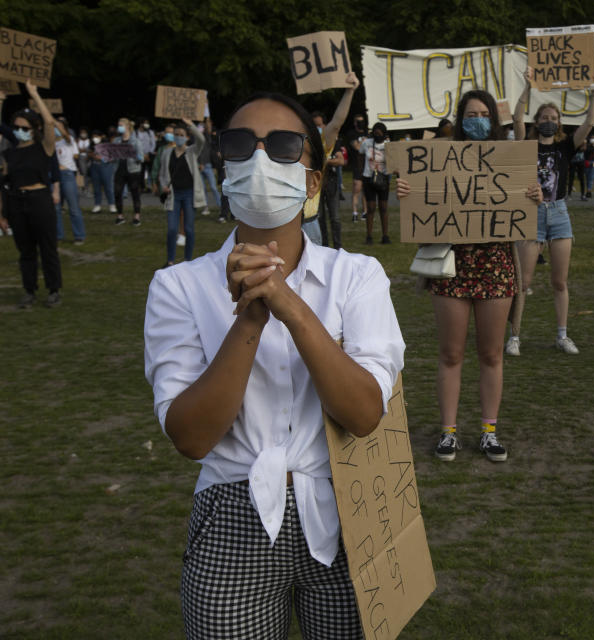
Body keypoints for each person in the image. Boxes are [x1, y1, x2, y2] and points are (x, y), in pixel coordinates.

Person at [144, 90, 403, 639]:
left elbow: (363, 413)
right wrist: (249, 321)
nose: (259, 161)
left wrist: (288, 304)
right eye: (240, 145)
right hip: (231, 514)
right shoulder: (178, 287)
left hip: (347, 505)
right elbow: (191, 437)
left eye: (284, 147)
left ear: (312, 181)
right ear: (223, 167)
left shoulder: (357, 276)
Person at [396, 90, 540, 462]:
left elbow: (521, 206)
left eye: (484, 113)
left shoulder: (510, 159)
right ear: (461, 120)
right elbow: (423, 199)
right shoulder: (441, 157)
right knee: (451, 353)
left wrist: (531, 197)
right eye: (470, 114)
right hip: (451, 267)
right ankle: (449, 433)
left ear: (494, 119)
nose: (477, 119)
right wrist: (408, 194)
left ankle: (489, 432)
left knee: (492, 354)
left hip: (495, 266)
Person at [507, 66, 594, 356]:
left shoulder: (564, 148)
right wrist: (527, 87)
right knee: (523, 282)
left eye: (554, 118)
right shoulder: (526, 145)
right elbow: (516, 117)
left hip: (559, 213)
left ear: (559, 123)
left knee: (560, 281)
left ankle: (562, 335)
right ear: (538, 121)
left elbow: (589, 122)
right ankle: (514, 336)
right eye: (544, 118)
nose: (549, 121)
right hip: (530, 213)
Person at [0, 81, 63, 308]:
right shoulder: (11, 153)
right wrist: (3, 213)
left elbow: (49, 121)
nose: (19, 131)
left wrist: (34, 94)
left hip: (40, 201)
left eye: (24, 128)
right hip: (17, 203)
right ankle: (29, 291)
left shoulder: (44, 147)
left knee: (47, 248)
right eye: (16, 127)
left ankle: (53, 290)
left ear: (33, 129)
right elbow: (5, 183)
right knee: (25, 250)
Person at [303, 72, 359, 249]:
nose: (317, 130)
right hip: (282, 225)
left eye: (320, 127)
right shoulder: (284, 147)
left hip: (308, 223)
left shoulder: (319, 147)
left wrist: (349, 93)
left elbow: (336, 123)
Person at [158, 119, 206, 267]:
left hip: (189, 194)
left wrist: (190, 125)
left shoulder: (191, 151)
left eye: (181, 134)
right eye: (176, 134)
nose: (178, 136)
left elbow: (201, 139)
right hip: (173, 195)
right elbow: (162, 173)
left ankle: (187, 261)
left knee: (189, 229)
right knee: (172, 229)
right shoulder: (167, 153)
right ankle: (170, 260)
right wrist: (163, 186)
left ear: (186, 137)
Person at [53, 116, 85, 244]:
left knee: (73, 207)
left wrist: (58, 123)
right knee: (55, 208)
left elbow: (75, 153)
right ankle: (58, 235)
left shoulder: (69, 139)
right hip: (54, 176)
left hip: (67, 175)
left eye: (59, 126)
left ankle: (79, 235)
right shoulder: (51, 142)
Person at [359, 122, 390, 244]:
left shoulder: (388, 145)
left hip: (383, 177)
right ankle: (369, 236)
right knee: (371, 207)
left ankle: (385, 236)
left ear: (384, 134)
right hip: (369, 177)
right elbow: (360, 156)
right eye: (375, 133)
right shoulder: (366, 143)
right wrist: (361, 172)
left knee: (383, 207)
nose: (377, 136)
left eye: (380, 134)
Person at [112, 117, 144, 226]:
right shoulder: (116, 141)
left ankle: (137, 216)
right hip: (119, 170)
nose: (119, 127)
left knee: (135, 193)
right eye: (118, 125)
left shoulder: (136, 141)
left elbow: (142, 158)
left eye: (121, 125)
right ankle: (120, 216)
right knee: (117, 192)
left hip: (133, 171)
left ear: (127, 127)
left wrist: (135, 156)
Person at [87, 129, 117, 214]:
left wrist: (102, 158)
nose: (95, 138)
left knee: (108, 187)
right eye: (93, 137)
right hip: (95, 167)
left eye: (96, 136)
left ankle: (112, 205)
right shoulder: (91, 145)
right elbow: (88, 154)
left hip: (106, 167)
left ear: (101, 137)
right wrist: (92, 155)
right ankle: (97, 205)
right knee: (96, 187)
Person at [344, 114, 367, 222]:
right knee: (356, 189)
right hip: (357, 166)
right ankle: (354, 213)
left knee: (366, 191)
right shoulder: (351, 134)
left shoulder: (368, 133)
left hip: (367, 166)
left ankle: (365, 212)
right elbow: (357, 147)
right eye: (358, 121)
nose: (361, 123)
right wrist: (364, 141)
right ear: (355, 123)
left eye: (362, 121)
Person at [197, 116, 222, 216]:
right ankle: (206, 207)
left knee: (213, 187)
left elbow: (208, 129)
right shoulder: (196, 142)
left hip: (206, 165)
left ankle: (221, 206)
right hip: (198, 166)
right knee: (202, 189)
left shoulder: (207, 138)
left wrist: (203, 163)